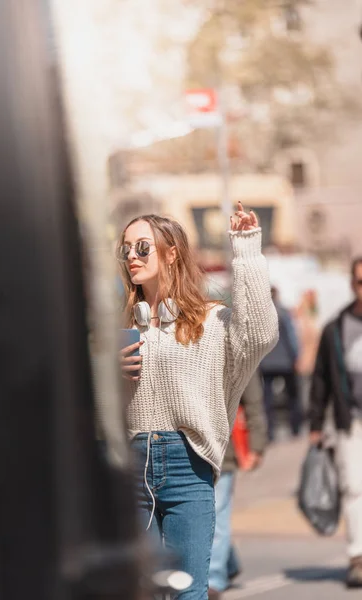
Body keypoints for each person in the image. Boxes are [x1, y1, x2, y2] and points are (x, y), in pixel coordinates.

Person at [117, 203, 278, 599]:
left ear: (171, 252)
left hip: (188, 467)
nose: (131, 258)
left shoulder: (211, 322)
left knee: (188, 592)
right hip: (128, 469)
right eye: (125, 250)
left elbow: (259, 334)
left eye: (142, 248)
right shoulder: (119, 327)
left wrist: (246, 248)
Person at [309, 257, 362, 589]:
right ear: (352, 284)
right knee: (354, 488)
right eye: (359, 282)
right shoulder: (336, 327)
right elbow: (321, 379)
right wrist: (315, 423)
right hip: (350, 422)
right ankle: (358, 557)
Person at [208, 371, 267, 599]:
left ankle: (213, 579)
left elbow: (253, 400)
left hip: (224, 452)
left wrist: (257, 445)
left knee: (216, 514)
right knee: (207, 516)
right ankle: (228, 562)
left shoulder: (232, 343)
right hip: (184, 449)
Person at [260, 286, 301, 442]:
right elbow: (291, 336)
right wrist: (296, 356)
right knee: (292, 396)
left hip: (266, 362)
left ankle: (270, 432)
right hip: (285, 362)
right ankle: (295, 428)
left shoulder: (261, 315)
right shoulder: (283, 312)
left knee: (267, 399)